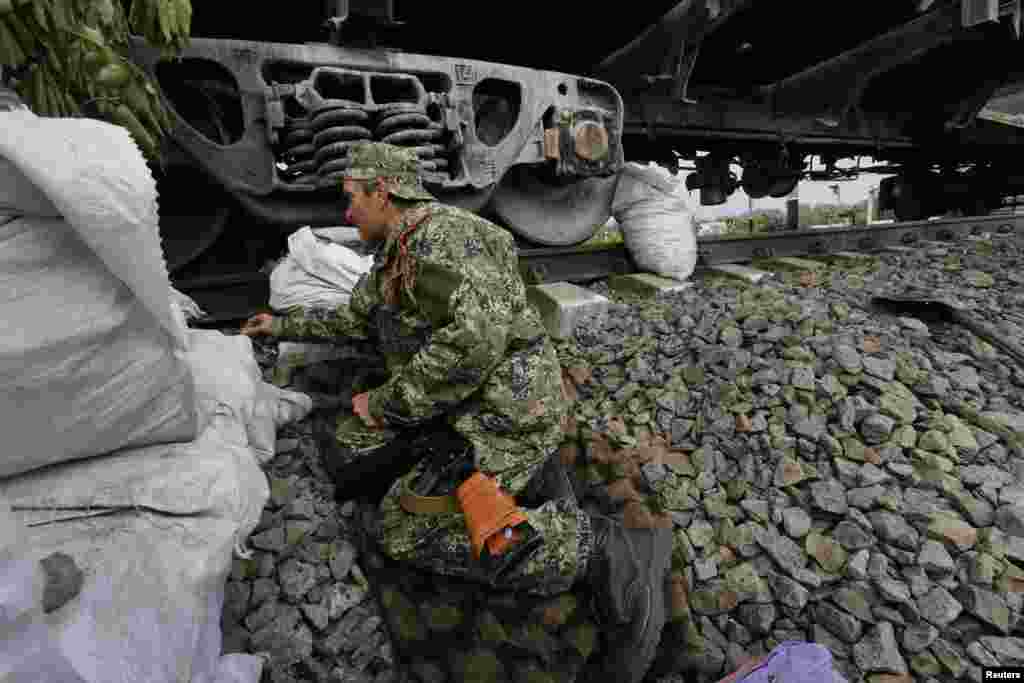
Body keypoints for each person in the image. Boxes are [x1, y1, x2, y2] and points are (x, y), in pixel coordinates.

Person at [242, 142, 672, 682]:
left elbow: (475, 341)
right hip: (460, 406)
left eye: (352, 198)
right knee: (355, 460)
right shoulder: (397, 253)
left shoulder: (447, 238)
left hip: (507, 413)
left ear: (383, 192)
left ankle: (604, 551)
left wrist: (386, 404)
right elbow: (358, 320)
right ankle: (527, 484)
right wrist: (280, 325)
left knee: (404, 527)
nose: (347, 214)